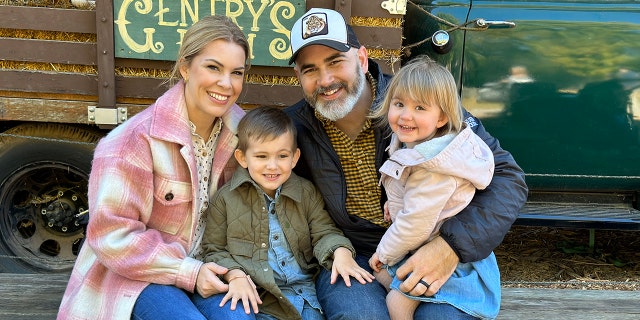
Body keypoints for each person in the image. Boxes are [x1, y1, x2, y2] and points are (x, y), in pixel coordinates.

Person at [284, 7, 528, 319]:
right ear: (298, 78)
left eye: (335, 62)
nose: (326, 80)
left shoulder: (412, 102)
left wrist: (450, 247)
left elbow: (508, 178)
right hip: (354, 255)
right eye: (310, 70)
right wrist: (333, 249)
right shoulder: (294, 129)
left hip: (432, 243)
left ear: (361, 58)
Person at [57, 15, 250, 319]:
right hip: (138, 273)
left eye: (236, 72)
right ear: (185, 68)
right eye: (213, 67)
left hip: (212, 266)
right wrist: (188, 271)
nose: (226, 84)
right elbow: (112, 237)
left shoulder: (244, 136)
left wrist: (237, 271)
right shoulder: (131, 140)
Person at [191, 106, 374, 320]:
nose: (272, 166)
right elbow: (214, 249)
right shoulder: (226, 199)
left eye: (282, 156)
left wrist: (340, 252)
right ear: (242, 158)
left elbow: (323, 231)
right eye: (261, 156)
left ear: (295, 158)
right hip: (264, 300)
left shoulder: (305, 192)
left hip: (308, 296)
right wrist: (235, 275)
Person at [368, 56, 500, 320]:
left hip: (450, 261)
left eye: (419, 108)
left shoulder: (433, 166)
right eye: (399, 104)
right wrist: (393, 205)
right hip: (421, 240)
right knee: (380, 274)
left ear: (441, 118)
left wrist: (382, 252)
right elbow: (410, 194)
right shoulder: (412, 144)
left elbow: (415, 224)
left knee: (395, 302)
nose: (406, 115)